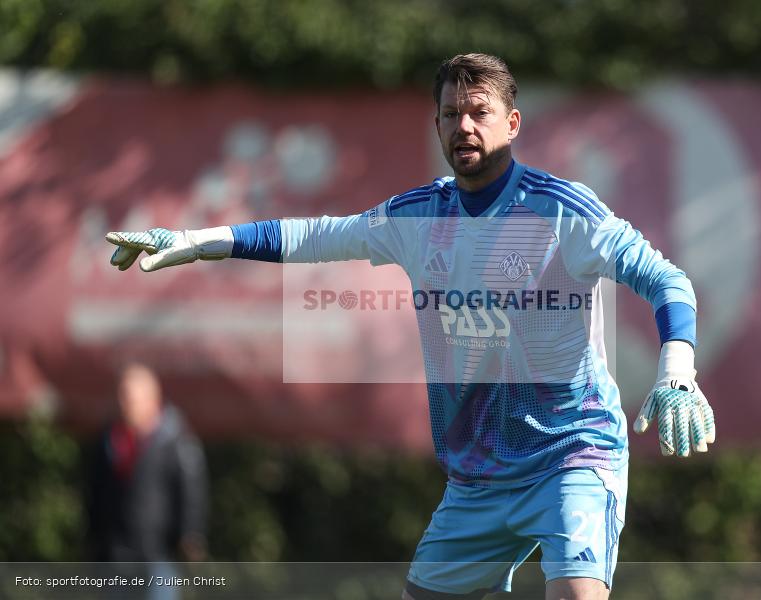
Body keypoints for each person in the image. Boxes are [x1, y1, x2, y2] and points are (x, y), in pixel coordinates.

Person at [105, 54, 714, 599]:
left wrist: (678, 372)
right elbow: (312, 237)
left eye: (480, 112)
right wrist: (193, 241)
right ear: (438, 126)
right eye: (451, 114)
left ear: (513, 123)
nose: (465, 127)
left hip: (570, 455)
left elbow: (667, 281)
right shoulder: (420, 216)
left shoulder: (563, 210)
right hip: (477, 477)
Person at [87, 363, 208, 564]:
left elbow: (191, 491)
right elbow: (95, 491)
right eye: (121, 396)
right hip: (115, 553)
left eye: (130, 398)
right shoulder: (109, 439)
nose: (124, 404)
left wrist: (190, 534)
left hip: (157, 553)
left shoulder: (174, 439)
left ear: (151, 399)